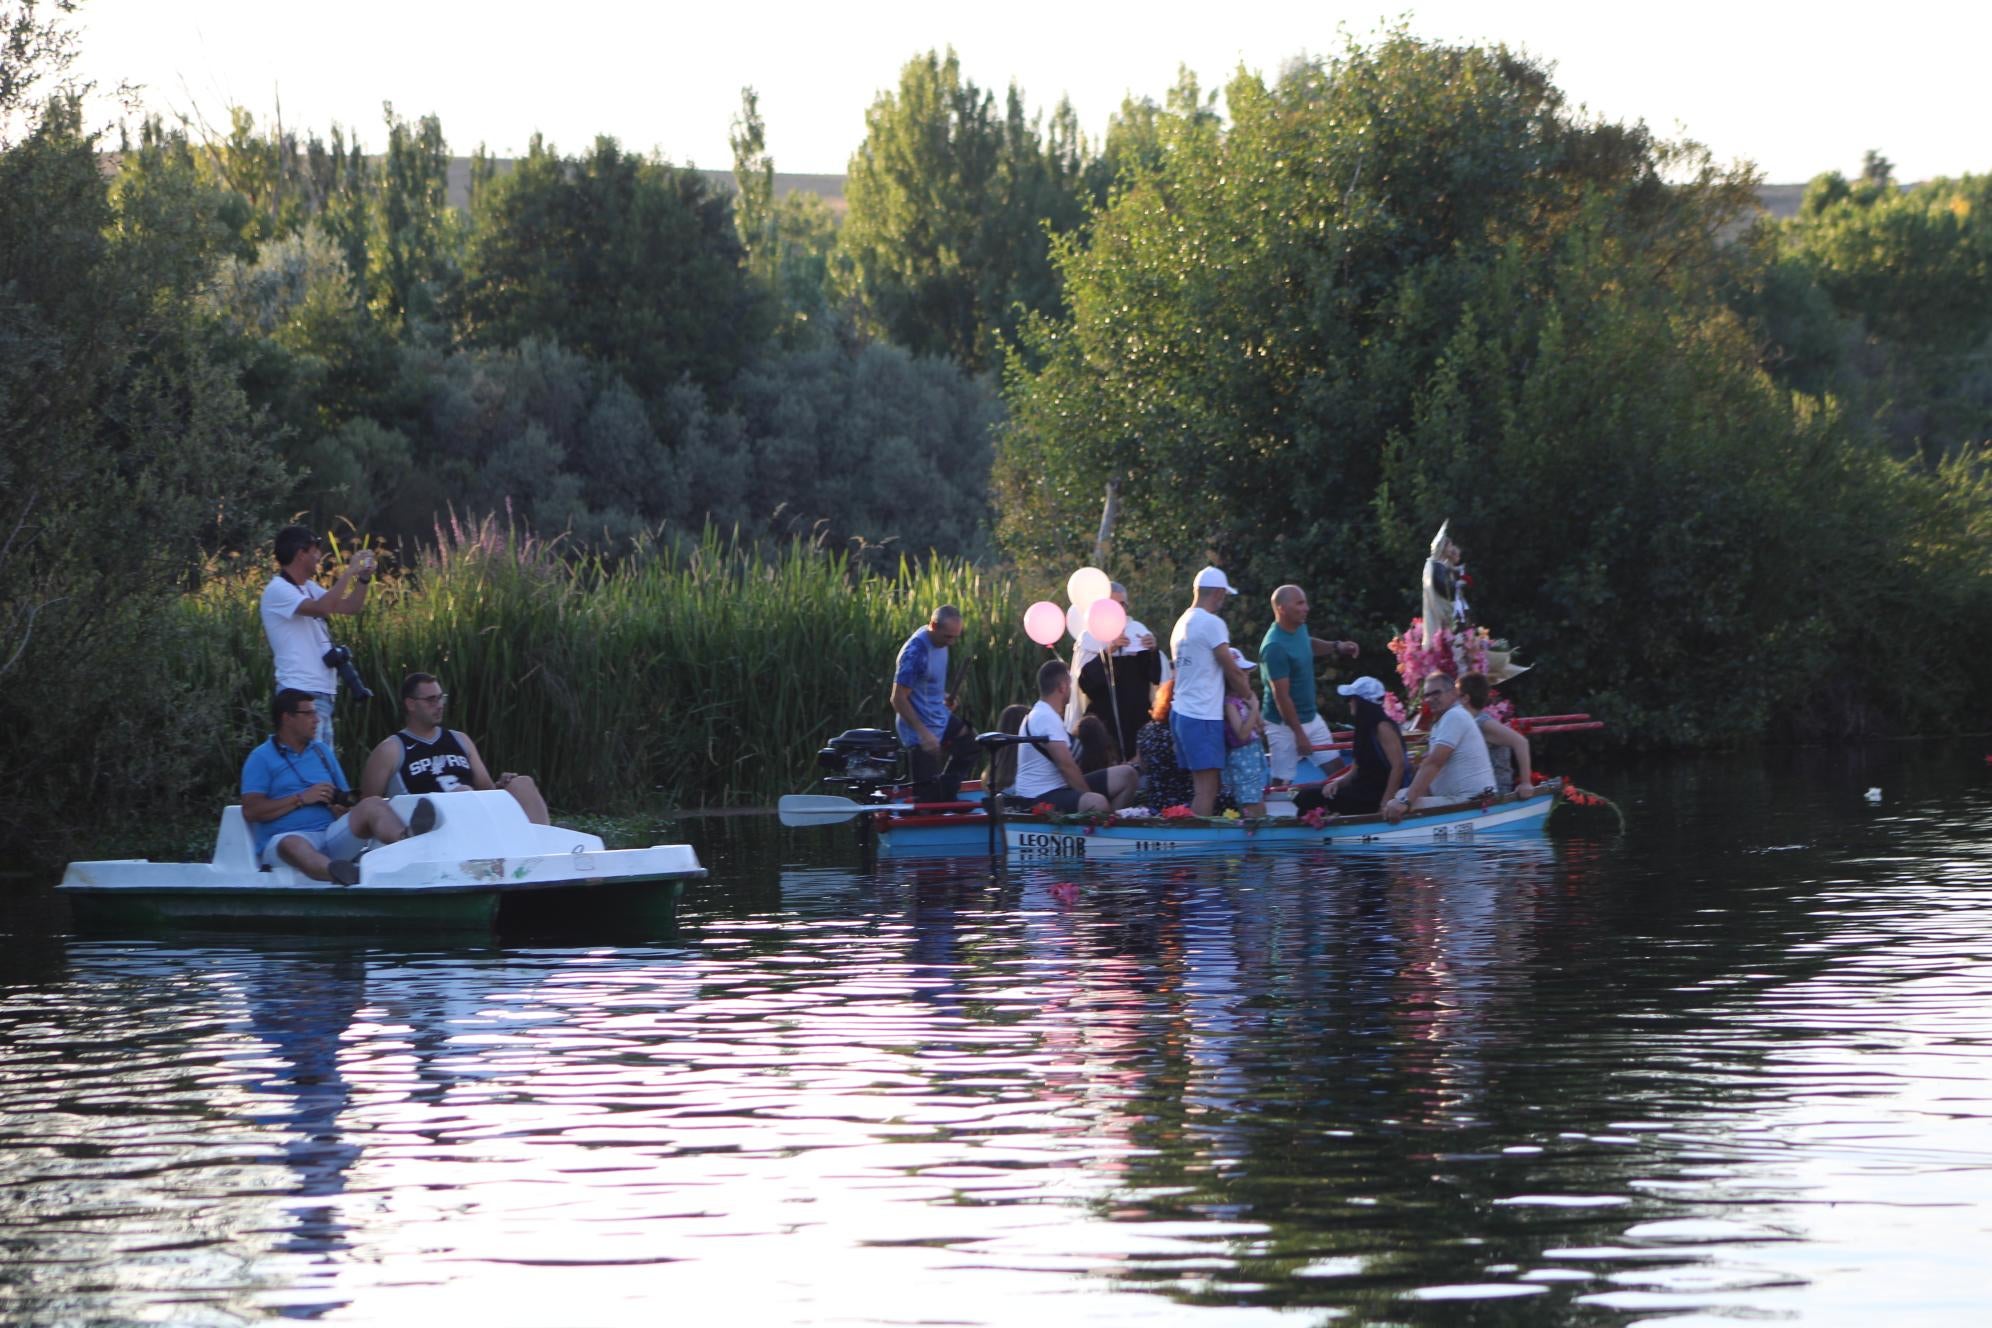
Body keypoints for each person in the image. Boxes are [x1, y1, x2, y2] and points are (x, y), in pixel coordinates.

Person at [242, 689, 430, 885]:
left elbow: (347, 797)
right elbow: (251, 811)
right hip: (284, 843)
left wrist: (343, 809)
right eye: (308, 714)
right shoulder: (261, 758)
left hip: (329, 834)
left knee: (372, 804)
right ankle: (340, 873)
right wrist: (300, 799)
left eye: (316, 713)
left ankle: (407, 837)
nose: (316, 720)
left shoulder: (321, 752)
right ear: (287, 718)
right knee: (292, 843)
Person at [359, 673, 550, 823]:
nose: (439, 705)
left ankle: (543, 853)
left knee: (522, 783)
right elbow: (369, 806)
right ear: (411, 704)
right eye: (431, 700)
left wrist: (500, 785)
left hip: (473, 812)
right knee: (462, 793)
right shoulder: (391, 749)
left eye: (441, 698)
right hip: (429, 823)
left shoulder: (460, 740)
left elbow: (487, 789)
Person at [261, 524, 376, 748]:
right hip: (299, 694)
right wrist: (349, 571)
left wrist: (362, 580)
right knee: (312, 769)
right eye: (315, 551)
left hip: (320, 696)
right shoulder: (277, 589)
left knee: (322, 768)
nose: (318, 557)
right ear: (300, 554)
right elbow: (323, 608)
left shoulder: (308, 587)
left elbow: (350, 607)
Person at [1168, 567, 1253, 816]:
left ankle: (1194, 842)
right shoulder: (1212, 623)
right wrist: (1250, 699)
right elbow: (1233, 670)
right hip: (1202, 715)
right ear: (1218, 593)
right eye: (1224, 595)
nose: (1223, 600)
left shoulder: (1181, 622)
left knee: (1201, 787)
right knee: (1208, 788)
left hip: (1181, 712)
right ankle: (1198, 851)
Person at [1259, 584, 1361, 785]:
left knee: (1339, 771)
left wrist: (1336, 647)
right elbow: (1281, 696)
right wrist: (1299, 734)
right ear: (1282, 608)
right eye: (1300, 603)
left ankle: (1348, 811)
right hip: (1283, 726)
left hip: (1310, 717)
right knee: (1282, 783)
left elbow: (1307, 643)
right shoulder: (1274, 648)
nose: (1306, 608)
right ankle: (1276, 816)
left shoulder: (1298, 627)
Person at [1008, 660, 1138, 814]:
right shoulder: (1044, 717)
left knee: (1127, 775)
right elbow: (1066, 766)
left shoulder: (1047, 714)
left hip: (1059, 787)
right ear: (1062, 687)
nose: (1071, 688)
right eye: (1069, 684)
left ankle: (1110, 830)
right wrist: (1089, 796)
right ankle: (1106, 828)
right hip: (1038, 796)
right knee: (1097, 803)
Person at [890, 605, 980, 800]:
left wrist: (945, 697)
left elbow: (925, 685)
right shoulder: (915, 653)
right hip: (919, 730)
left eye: (956, 637)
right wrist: (923, 734)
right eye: (948, 637)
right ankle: (934, 800)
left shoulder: (941, 642)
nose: (952, 642)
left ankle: (946, 792)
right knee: (927, 797)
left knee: (971, 744)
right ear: (933, 626)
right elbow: (897, 698)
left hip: (939, 717)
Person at [1383, 672, 1496, 821]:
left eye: (1436, 693)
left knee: (1398, 800)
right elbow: (1433, 771)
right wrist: (1407, 797)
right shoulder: (1442, 721)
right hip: (1461, 800)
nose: (1430, 699)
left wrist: (1405, 802)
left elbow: (1434, 763)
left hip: (1472, 802)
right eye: (1427, 695)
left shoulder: (1455, 715)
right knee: (1401, 796)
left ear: (1453, 694)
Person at [1072, 583, 1165, 758]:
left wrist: (1153, 651)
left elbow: (1154, 676)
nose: (1119, 609)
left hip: (1137, 720)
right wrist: (1108, 652)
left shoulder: (1137, 630)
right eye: (1114, 605)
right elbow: (1086, 684)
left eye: (1123, 604)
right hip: (1104, 722)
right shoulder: (1090, 637)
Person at [1295, 676, 1407, 816]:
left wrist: (1385, 803)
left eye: (1350, 699)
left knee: (1308, 798)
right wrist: (1337, 783)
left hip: (1374, 794)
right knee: (1307, 795)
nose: (1349, 703)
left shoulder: (1382, 727)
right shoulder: (1364, 728)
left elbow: (1399, 766)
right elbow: (1356, 769)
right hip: (1361, 789)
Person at [1456, 671, 1533, 795]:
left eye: (1456, 695)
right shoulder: (1469, 721)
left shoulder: (1483, 723)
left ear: (1465, 698)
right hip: (1478, 788)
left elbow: (1521, 742)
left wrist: (1526, 783)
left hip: (1496, 790)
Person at [1221, 650, 1271, 817]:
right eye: (1242, 674)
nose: (1246, 678)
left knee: (1259, 800)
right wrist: (1255, 707)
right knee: (1251, 804)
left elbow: (1259, 727)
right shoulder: (1230, 704)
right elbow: (1242, 734)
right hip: (1242, 761)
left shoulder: (1246, 699)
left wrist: (1253, 709)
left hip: (1253, 758)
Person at [1135, 681, 1197, 813]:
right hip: (1184, 804)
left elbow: (1142, 766)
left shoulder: (1145, 730)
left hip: (1156, 804)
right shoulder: (1183, 733)